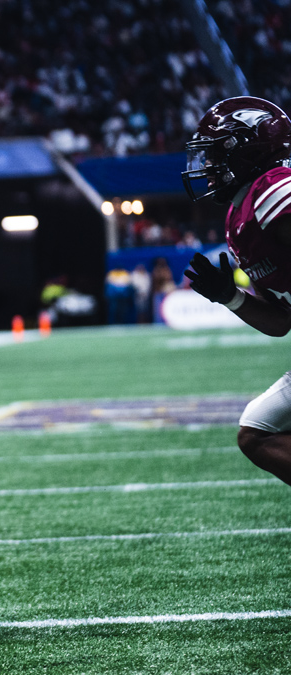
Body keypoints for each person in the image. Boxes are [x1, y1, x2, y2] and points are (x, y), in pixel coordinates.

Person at [181, 96, 291, 487]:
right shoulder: (241, 213)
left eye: (214, 155)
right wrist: (231, 297)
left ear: (244, 151)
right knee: (256, 432)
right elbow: (281, 323)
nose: (207, 167)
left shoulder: (275, 187)